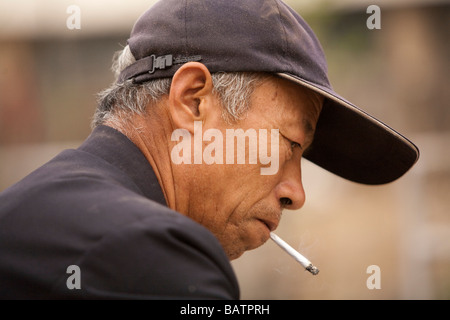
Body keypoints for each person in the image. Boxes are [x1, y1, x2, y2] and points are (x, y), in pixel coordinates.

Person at [0, 0, 419, 299]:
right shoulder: (149, 252)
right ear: (193, 101)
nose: (296, 193)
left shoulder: (34, 210)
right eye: (289, 144)